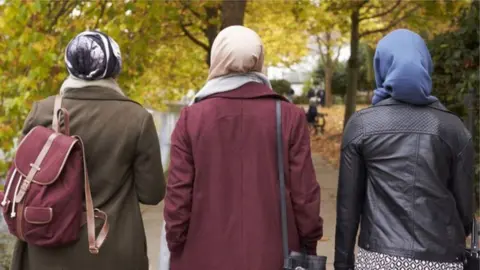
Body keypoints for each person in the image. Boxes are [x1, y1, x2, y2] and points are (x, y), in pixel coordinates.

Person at [163, 26, 323, 270]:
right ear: (258, 59)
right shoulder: (288, 115)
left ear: (216, 58)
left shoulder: (191, 118)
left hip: (204, 255)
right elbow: (305, 194)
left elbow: (178, 196)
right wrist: (308, 242)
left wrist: (176, 242)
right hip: (273, 256)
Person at [10, 31, 166, 270]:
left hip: (47, 250)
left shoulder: (42, 111)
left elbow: (23, 180)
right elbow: (152, 193)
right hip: (112, 251)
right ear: (115, 67)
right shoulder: (137, 119)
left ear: (69, 65)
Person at [334, 29, 473, 270]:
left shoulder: (361, 125)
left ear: (381, 67)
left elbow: (348, 208)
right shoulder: (453, 127)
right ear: (424, 64)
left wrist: (343, 263)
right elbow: (465, 210)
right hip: (442, 259)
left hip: (378, 258)